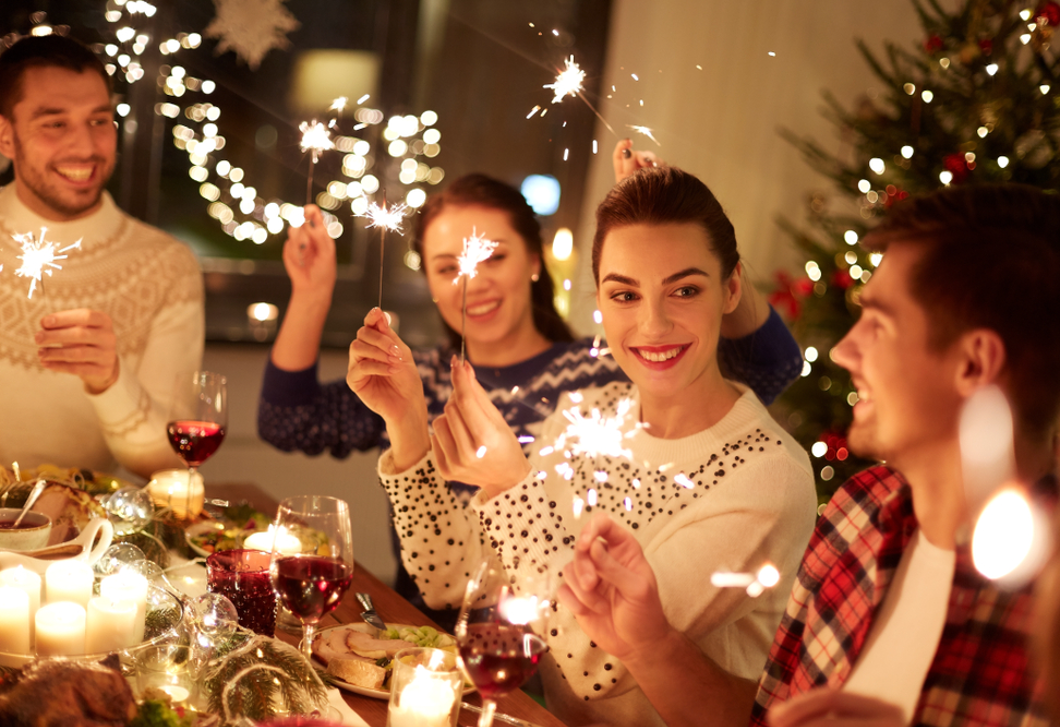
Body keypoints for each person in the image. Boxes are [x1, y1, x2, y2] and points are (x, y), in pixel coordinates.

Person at [558, 183, 1060, 727]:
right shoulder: (856, 515)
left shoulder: (1043, 613)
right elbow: (766, 717)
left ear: (973, 364)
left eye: (880, 324)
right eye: (624, 294)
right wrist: (650, 643)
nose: (845, 349)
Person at [350, 166, 818, 726]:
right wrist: (405, 424)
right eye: (625, 293)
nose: (653, 323)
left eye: (685, 290)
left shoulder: (765, 475)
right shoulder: (586, 413)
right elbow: (452, 576)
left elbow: (600, 664)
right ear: (599, 299)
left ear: (731, 288)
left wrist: (508, 485)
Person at [257, 144, 803, 610]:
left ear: (535, 261)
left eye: (493, 257)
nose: (474, 282)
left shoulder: (604, 373)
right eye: (449, 268)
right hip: (429, 626)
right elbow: (287, 421)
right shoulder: (414, 375)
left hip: (552, 640)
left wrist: (669, 243)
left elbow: (767, 365)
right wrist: (310, 295)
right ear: (429, 280)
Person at [0, 35, 203, 478]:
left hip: (82, 535)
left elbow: (167, 462)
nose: (86, 147)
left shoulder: (165, 266)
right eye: (54, 124)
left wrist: (110, 381)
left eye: (99, 120)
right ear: (5, 136)